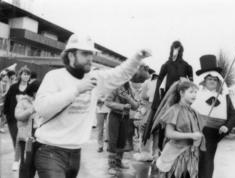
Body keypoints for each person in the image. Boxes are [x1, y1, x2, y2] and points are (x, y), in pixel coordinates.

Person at [33, 33, 151, 178]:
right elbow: (42, 108)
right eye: (84, 53)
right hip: (50, 151)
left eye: (91, 53)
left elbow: (120, 74)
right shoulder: (54, 76)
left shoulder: (95, 79)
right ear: (71, 55)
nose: (90, 58)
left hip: (75, 153)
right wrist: (76, 90)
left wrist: (137, 57)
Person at [191, 55, 235, 178]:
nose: (212, 81)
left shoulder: (224, 97)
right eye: (209, 78)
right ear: (204, 81)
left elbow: (233, 115)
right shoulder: (194, 94)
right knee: (190, 163)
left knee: (206, 164)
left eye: (215, 79)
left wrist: (226, 127)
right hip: (192, 133)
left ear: (219, 82)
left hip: (211, 136)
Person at [143, 40, 193, 150]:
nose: (175, 51)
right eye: (174, 49)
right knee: (164, 123)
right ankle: (161, 148)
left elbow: (191, 85)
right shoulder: (166, 65)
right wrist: (157, 103)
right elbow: (159, 83)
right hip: (167, 98)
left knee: (180, 122)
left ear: (181, 51)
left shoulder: (186, 66)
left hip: (181, 98)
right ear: (171, 50)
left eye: (178, 49)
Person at [151, 81, 205, 178]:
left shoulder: (193, 112)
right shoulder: (174, 110)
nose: (194, 95)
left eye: (195, 92)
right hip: (176, 155)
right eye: (191, 92)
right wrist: (191, 135)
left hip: (190, 155)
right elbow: (169, 133)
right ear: (181, 93)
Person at [105, 81, 140, 175]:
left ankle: (118, 162)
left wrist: (128, 98)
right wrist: (122, 106)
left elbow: (136, 106)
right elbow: (107, 102)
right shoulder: (115, 85)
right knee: (113, 141)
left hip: (125, 117)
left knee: (122, 141)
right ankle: (111, 166)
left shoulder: (130, 88)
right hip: (115, 116)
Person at [4, 66, 31, 171]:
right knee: (15, 138)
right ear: (20, 75)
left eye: (28, 74)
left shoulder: (31, 88)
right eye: (24, 74)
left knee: (26, 140)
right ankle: (17, 160)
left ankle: (25, 159)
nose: (26, 76)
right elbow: (7, 101)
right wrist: (5, 114)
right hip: (12, 118)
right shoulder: (13, 87)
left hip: (26, 119)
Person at [15, 80, 41, 178]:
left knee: (36, 164)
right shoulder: (23, 101)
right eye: (38, 91)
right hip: (28, 138)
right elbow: (18, 116)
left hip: (40, 138)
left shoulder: (43, 101)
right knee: (27, 163)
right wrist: (31, 110)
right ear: (33, 91)